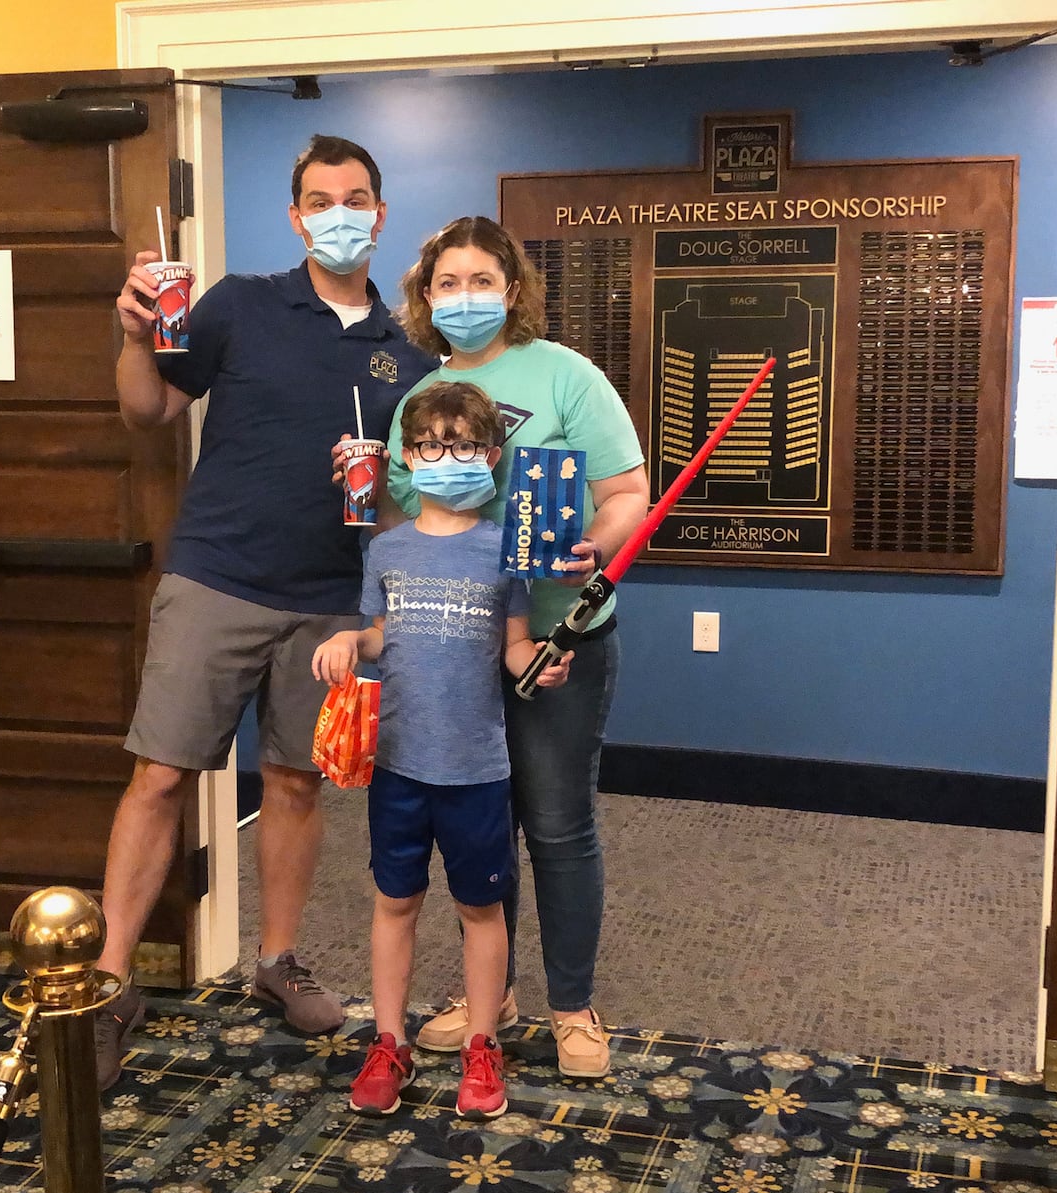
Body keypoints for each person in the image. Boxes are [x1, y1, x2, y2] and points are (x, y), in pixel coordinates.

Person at [93, 135, 437, 1091]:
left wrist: (386, 505)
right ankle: (109, 980)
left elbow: (418, 497)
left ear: (379, 212)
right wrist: (131, 335)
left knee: (295, 783)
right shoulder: (240, 303)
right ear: (296, 217)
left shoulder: (407, 351)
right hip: (217, 577)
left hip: (333, 600)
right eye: (320, 199)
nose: (339, 212)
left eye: (356, 197)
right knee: (160, 776)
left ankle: (277, 960)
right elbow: (149, 411)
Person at [386, 216, 650, 1078]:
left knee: (559, 823)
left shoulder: (568, 374)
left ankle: (572, 1005)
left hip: (556, 637)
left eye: (480, 280)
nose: (465, 297)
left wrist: (598, 546)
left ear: (512, 287)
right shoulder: (416, 401)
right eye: (448, 282)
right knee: (478, 828)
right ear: (428, 296)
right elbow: (401, 517)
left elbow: (626, 493)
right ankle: (487, 994)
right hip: (455, 650)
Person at [312, 380, 572, 1120]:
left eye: (462, 445)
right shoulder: (386, 547)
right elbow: (376, 634)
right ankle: (388, 1040)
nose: (446, 457)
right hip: (398, 762)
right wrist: (344, 640)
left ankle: (482, 1044)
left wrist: (541, 664)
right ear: (408, 455)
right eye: (431, 445)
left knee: (480, 908)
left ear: (490, 456)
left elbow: (514, 648)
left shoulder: (505, 551)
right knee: (394, 902)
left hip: (476, 768)